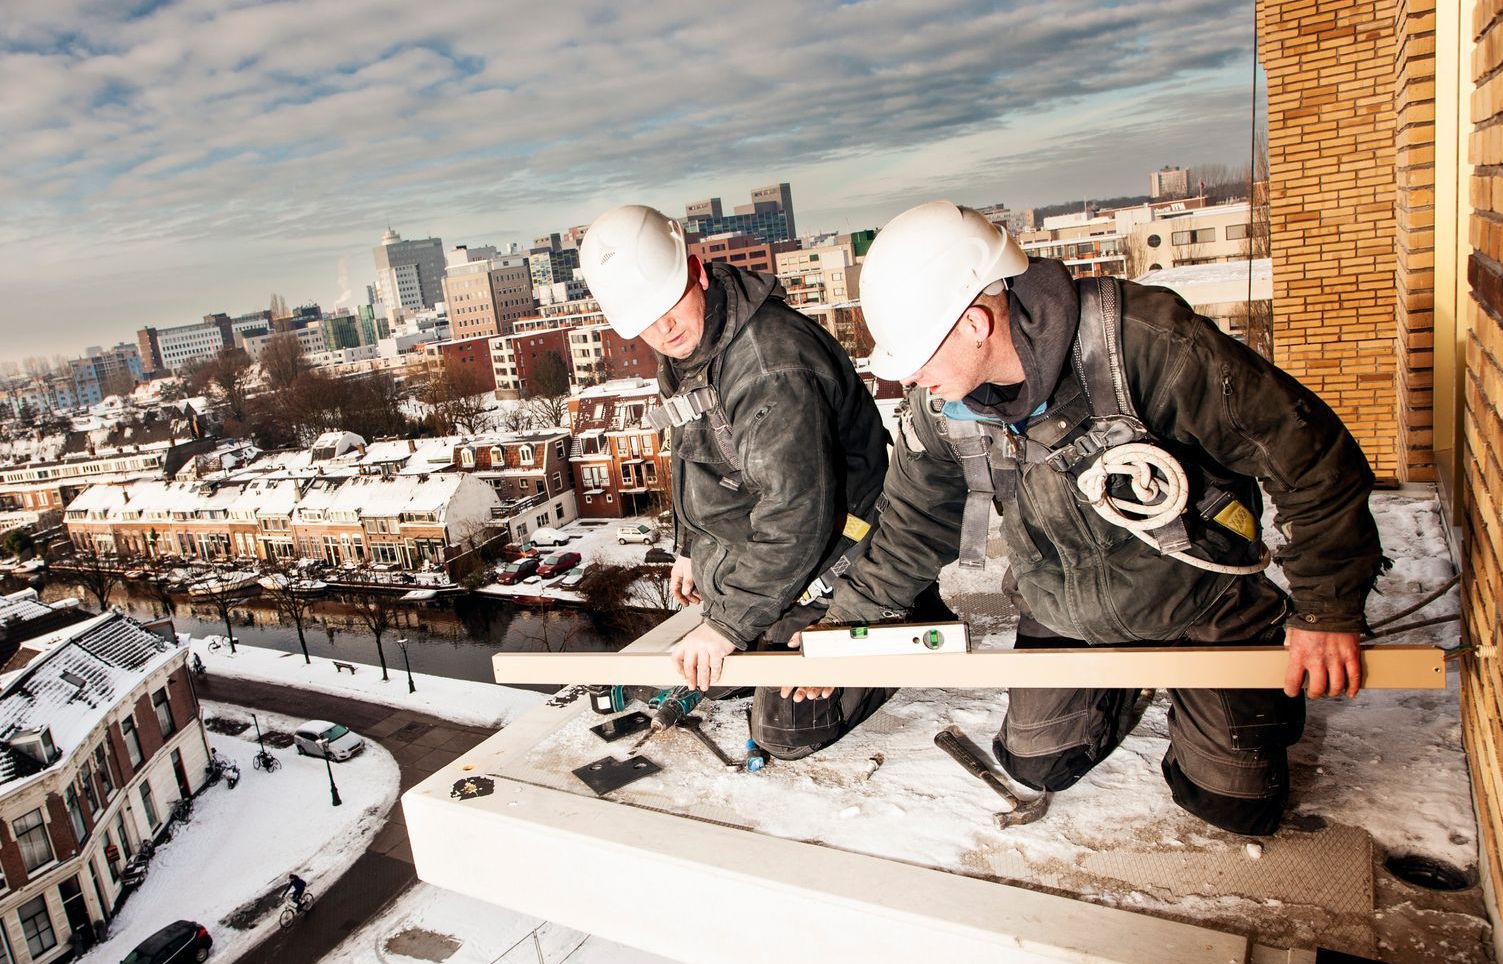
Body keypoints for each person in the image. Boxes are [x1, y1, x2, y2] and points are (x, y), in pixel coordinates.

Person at [789, 201, 1380, 835]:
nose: (913, 377)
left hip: (1199, 594)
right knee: (1038, 763)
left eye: (919, 355)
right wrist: (847, 623)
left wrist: (1326, 610)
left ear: (975, 324)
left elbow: (1310, 461)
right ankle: (1127, 681)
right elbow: (912, 523)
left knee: (1234, 806)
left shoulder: (1144, 345)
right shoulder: (945, 405)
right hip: (1064, 603)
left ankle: (1235, 670)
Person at [578, 204, 894, 761]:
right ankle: (764, 626)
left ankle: (899, 627)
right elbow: (692, 452)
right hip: (786, 554)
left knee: (786, 729)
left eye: (669, 303)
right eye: (644, 319)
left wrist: (726, 624)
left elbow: (797, 512)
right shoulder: (696, 344)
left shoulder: (769, 364)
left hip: (840, 556)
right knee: (706, 674)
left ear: (697, 272)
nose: (663, 328)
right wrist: (688, 548)